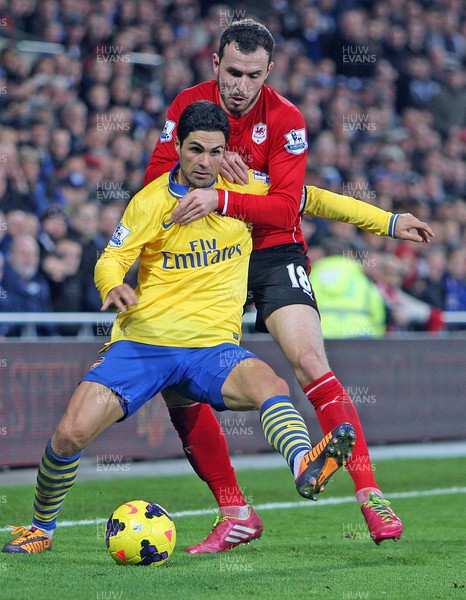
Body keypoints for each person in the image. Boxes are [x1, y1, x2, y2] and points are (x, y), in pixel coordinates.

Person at [1, 101, 355, 555]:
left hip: (211, 349)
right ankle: (41, 529)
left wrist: (389, 222)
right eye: (195, 150)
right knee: (70, 433)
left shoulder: (244, 189)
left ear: (227, 150)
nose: (205, 162)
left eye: (215, 151)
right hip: (143, 344)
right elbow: (112, 258)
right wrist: (113, 285)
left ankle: (304, 462)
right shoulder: (150, 202)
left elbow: (314, 199)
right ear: (179, 148)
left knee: (271, 382)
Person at [145, 20, 434, 551]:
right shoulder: (189, 107)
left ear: (269, 72)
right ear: (215, 64)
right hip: (209, 254)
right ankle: (235, 511)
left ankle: (370, 495)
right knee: (179, 381)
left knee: (310, 363)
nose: (240, 85)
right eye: (232, 71)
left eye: (253, 75)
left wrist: (227, 194)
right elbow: (154, 184)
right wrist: (205, 174)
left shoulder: (285, 118)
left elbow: (288, 204)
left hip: (274, 247)